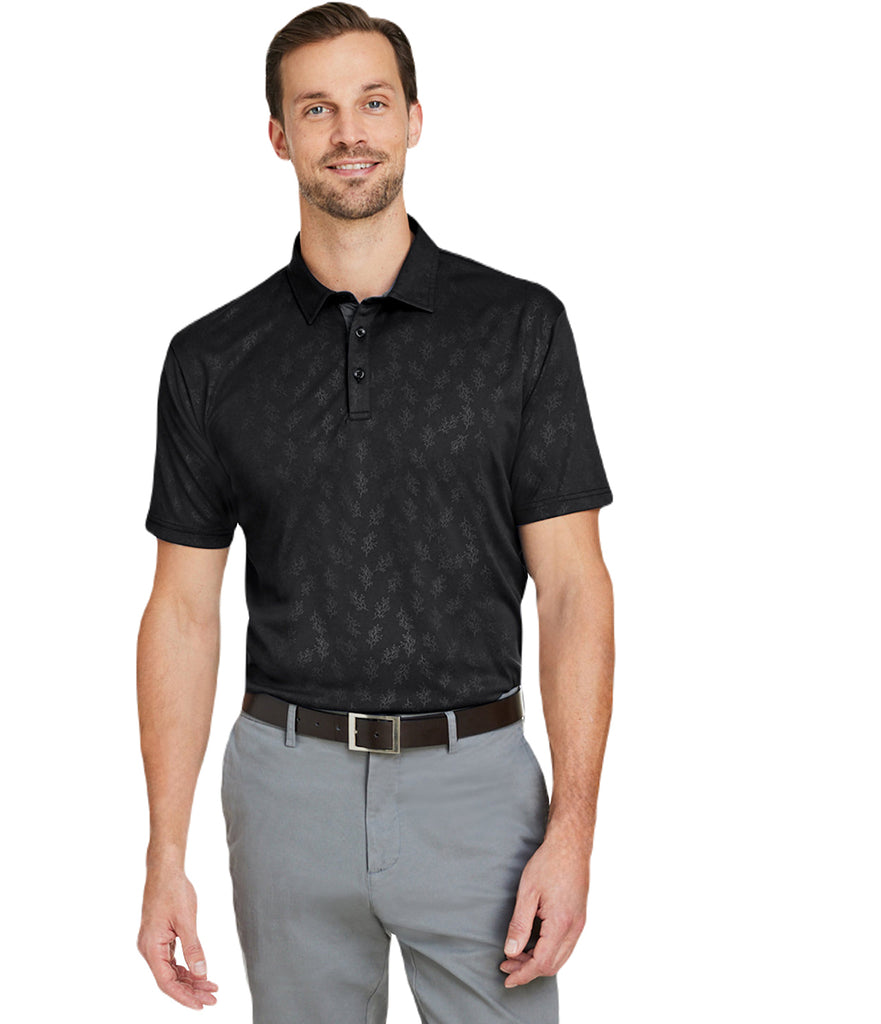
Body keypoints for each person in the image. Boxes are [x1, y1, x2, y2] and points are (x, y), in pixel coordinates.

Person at [135, 4, 615, 1021]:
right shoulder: (212, 359)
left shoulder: (519, 329)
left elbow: (574, 588)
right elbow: (180, 610)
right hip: (284, 793)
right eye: (317, 109)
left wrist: (573, 829)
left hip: (479, 790)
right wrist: (164, 853)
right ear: (279, 136)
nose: (348, 132)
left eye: (373, 103)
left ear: (414, 120)